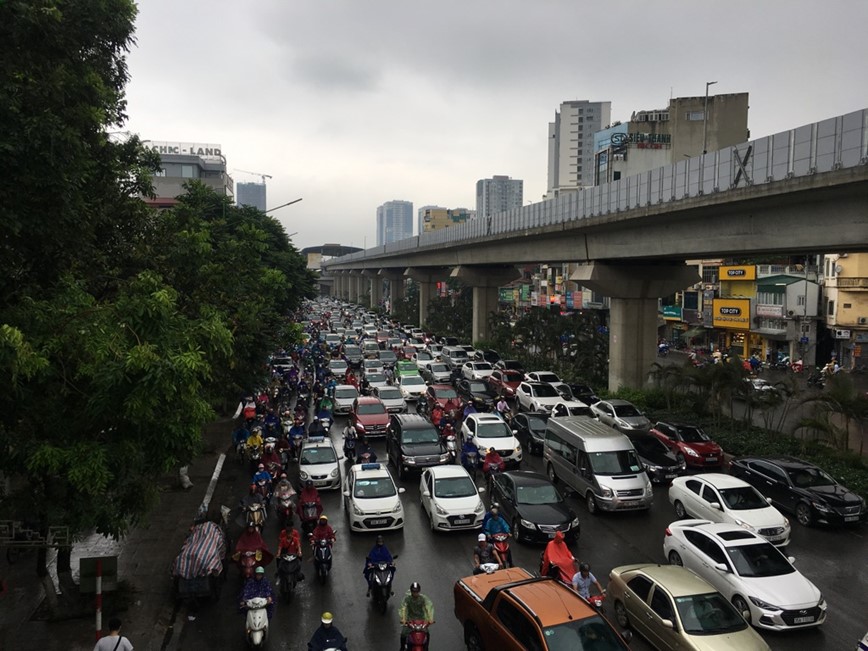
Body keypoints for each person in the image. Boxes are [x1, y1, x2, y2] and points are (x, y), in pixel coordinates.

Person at [399, 582, 435, 651]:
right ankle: (402, 648)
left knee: (427, 633)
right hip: (410, 620)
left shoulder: (423, 599)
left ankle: (426, 648)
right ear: (411, 591)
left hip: (421, 621)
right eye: (414, 591)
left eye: (417, 591)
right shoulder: (407, 599)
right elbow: (403, 608)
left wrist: (430, 618)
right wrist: (403, 619)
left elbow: (428, 607)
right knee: (403, 634)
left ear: (419, 591)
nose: (415, 593)